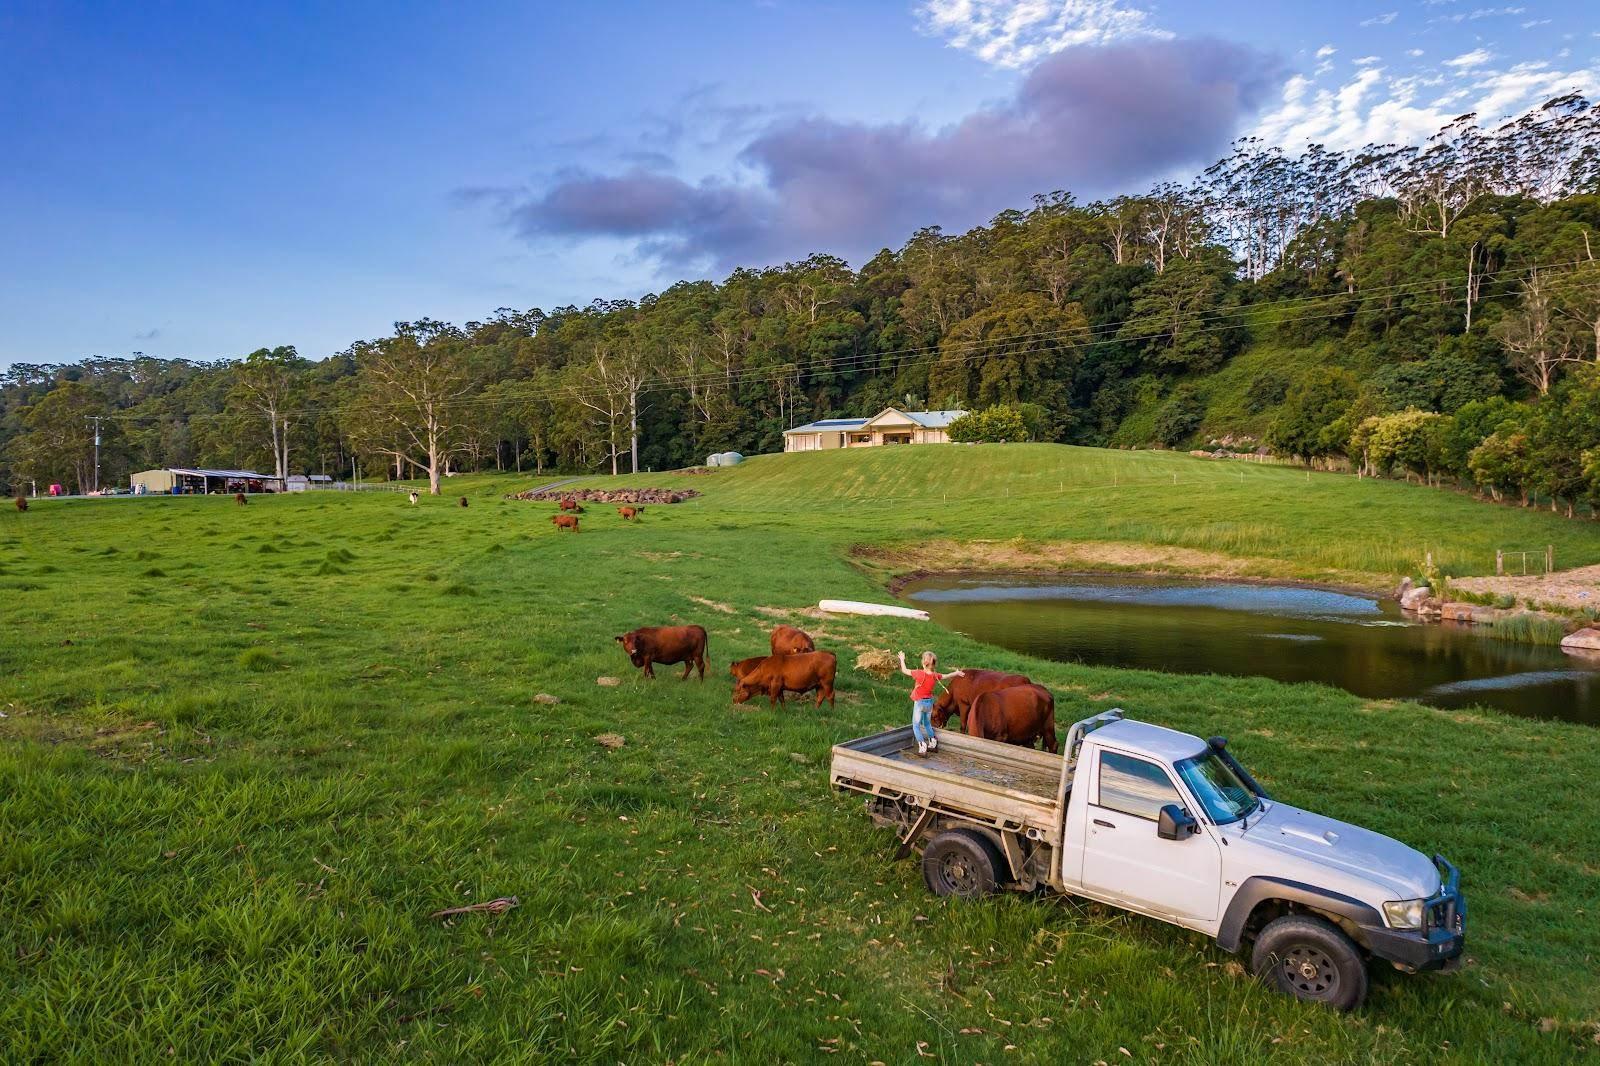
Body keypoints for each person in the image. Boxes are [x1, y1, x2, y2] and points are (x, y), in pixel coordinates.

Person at [898, 651, 963, 755]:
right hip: (929, 703)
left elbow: (905, 670)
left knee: (916, 725)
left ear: (924, 663)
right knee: (927, 723)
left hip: (919, 703)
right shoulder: (935, 676)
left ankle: (922, 745)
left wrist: (902, 659)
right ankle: (933, 742)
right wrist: (956, 673)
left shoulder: (919, 673)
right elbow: (946, 675)